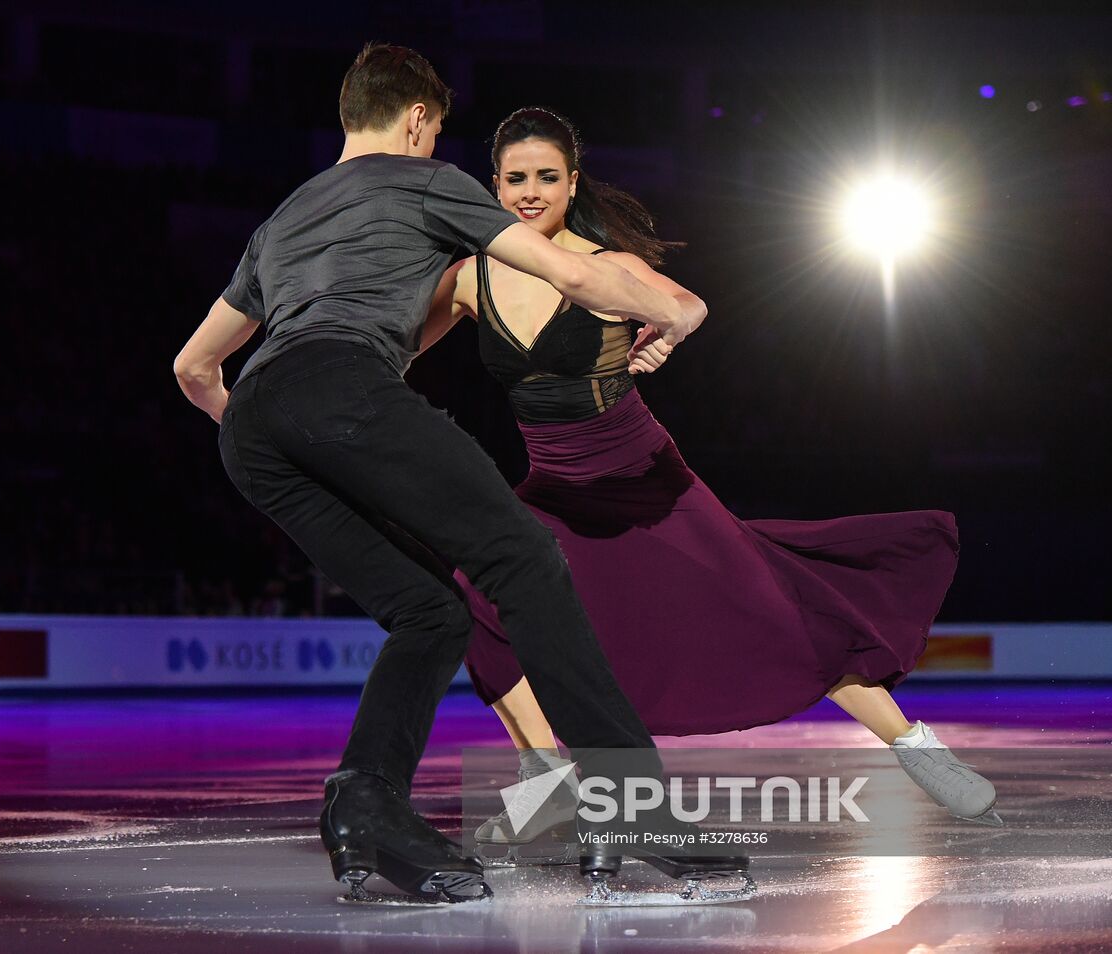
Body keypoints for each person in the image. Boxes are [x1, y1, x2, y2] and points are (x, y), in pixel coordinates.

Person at [173, 47, 740, 904]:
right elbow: (574, 273)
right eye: (435, 126)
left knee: (430, 612)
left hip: (253, 426)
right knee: (525, 559)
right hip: (343, 388)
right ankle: (632, 802)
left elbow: (193, 368)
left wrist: (281, 434)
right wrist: (684, 313)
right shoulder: (424, 179)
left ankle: (365, 800)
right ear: (415, 120)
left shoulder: (284, 219)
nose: (434, 138)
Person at [416, 107, 1000, 859]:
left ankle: (918, 749)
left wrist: (666, 332)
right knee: (475, 597)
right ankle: (546, 779)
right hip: (557, 494)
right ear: (494, 185)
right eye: (516, 178)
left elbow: (690, 304)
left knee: (778, 616)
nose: (530, 192)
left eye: (547, 178)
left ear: (571, 185)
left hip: (648, 485)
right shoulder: (469, 281)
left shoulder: (606, 268)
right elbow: (393, 347)